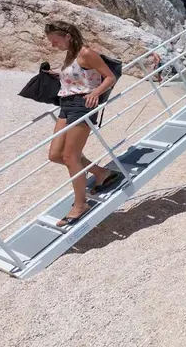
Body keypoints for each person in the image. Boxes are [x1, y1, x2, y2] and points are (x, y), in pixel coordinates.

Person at [44, 21, 123, 227]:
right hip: (66, 105)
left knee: (71, 157)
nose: (53, 45)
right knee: (55, 155)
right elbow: (78, 77)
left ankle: (80, 204)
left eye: (55, 41)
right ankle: (100, 172)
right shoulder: (70, 55)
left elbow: (109, 77)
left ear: (68, 36)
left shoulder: (87, 53)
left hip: (82, 105)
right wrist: (57, 74)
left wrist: (96, 92)